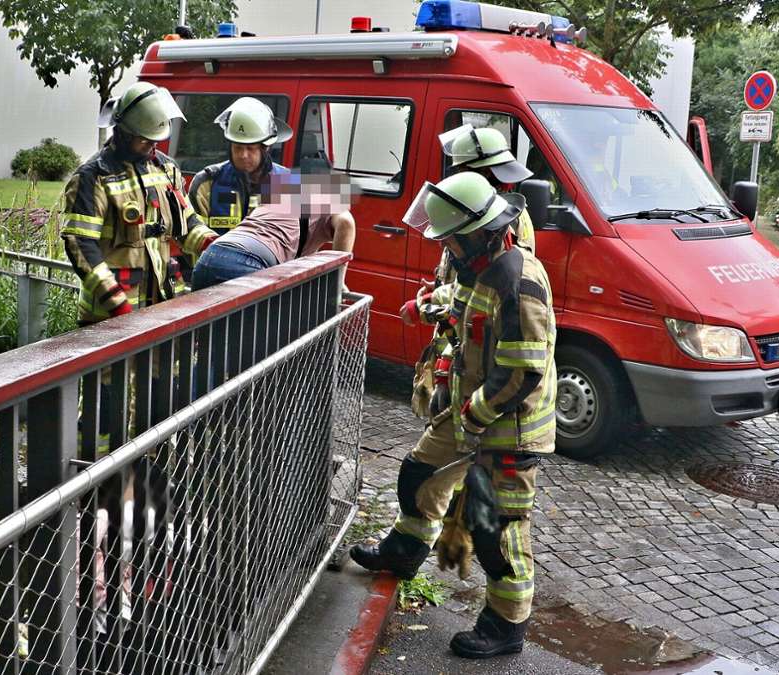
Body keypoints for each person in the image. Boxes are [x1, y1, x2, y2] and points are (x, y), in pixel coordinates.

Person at [350, 172, 557, 660]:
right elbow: (461, 310)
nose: (447, 250)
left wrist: (473, 417)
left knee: (496, 530)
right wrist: (426, 307)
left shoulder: (517, 280)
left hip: (511, 428)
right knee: (419, 473)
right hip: (471, 414)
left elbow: (521, 373)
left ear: (476, 233)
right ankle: (403, 554)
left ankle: (506, 626)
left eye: (450, 241)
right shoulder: (478, 268)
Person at [60, 81, 218, 326]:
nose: (152, 145)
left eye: (156, 139)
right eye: (144, 140)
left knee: (164, 366)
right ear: (123, 132)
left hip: (162, 306)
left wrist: (214, 245)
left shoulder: (165, 168)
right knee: (114, 367)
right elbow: (80, 244)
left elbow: (187, 222)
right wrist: (116, 302)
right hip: (110, 317)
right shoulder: (93, 177)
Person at [190, 172, 356, 290]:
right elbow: (346, 223)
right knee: (260, 336)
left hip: (210, 257)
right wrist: (338, 283)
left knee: (207, 337)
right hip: (249, 262)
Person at [189, 97, 294, 233]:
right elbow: (193, 235)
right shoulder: (206, 184)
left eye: (250, 148)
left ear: (266, 147)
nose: (243, 155)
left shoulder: (287, 183)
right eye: (237, 147)